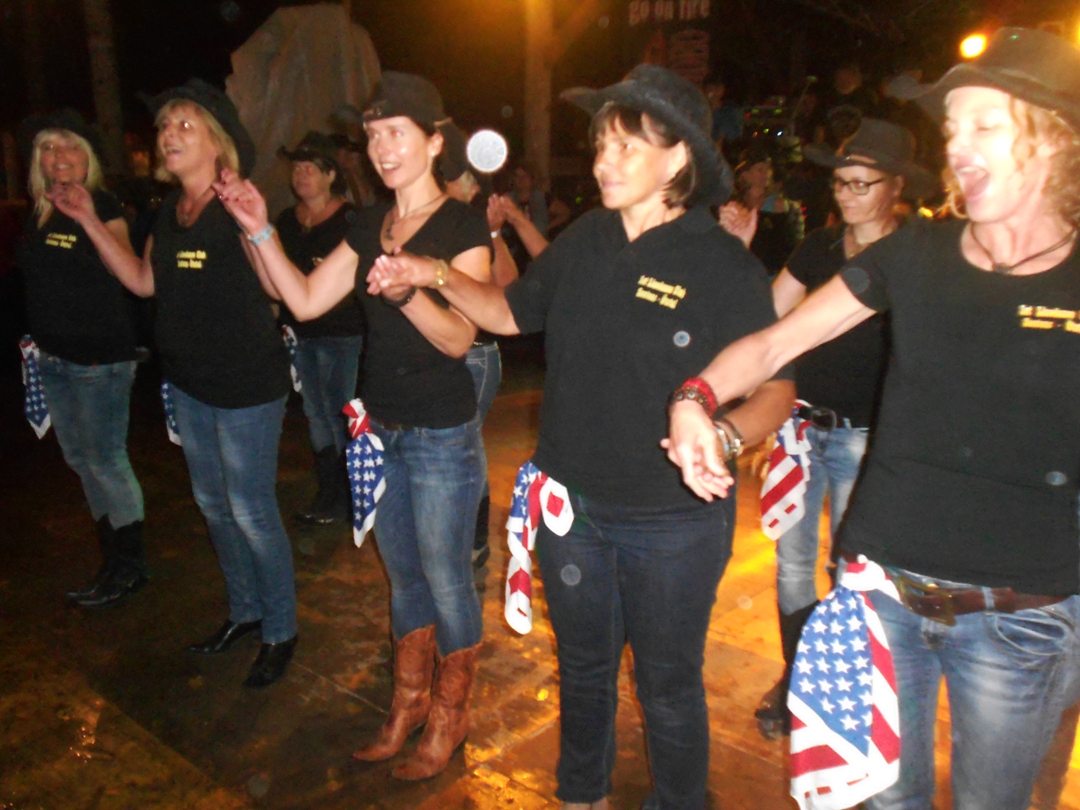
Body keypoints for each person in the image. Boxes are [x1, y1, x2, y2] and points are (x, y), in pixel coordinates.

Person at [667, 28, 1080, 810]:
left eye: (985, 124)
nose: (958, 143)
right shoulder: (916, 252)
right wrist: (695, 399)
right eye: (952, 127)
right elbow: (777, 339)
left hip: (1020, 619)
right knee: (887, 802)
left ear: (1057, 140)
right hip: (882, 594)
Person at [364, 64, 794, 809]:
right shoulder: (587, 238)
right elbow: (507, 313)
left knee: (665, 686)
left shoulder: (721, 262)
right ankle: (580, 795)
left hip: (671, 520)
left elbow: (777, 390)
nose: (603, 162)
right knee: (584, 670)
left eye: (626, 146)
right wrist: (431, 273)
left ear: (679, 158)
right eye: (600, 145)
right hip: (572, 510)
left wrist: (721, 436)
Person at [214, 72, 492, 780]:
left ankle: (450, 715)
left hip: (440, 433)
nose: (381, 148)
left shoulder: (462, 226)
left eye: (396, 132)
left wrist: (406, 294)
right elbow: (306, 300)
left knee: (448, 580)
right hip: (381, 430)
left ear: (434, 142)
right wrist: (258, 228)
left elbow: (460, 338)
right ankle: (406, 704)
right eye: (372, 135)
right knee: (404, 579)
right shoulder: (368, 225)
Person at [49, 79, 299, 688]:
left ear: (218, 143)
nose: (168, 135)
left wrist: (257, 227)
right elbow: (143, 282)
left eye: (185, 125)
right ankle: (245, 612)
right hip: (188, 384)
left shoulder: (235, 204)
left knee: (251, 509)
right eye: (164, 126)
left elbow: (277, 292)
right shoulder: (168, 211)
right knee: (213, 505)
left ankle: (281, 629)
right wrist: (87, 219)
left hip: (245, 385)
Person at [723, 118, 934, 739]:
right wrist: (740, 251)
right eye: (841, 182)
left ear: (897, 187)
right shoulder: (819, 246)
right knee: (791, 566)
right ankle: (799, 680)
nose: (847, 194)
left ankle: (845, 693)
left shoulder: (918, 255)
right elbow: (765, 315)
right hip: (798, 429)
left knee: (850, 574)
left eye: (862, 183)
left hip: (865, 439)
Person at [16, 109, 147, 608]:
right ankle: (111, 559)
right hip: (55, 357)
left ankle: (131, 566)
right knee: (80, 460)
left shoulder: (103, 203)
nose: (59, 156)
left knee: (106, 460)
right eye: (48, 148)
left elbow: (125, 268)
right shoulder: (41, 209)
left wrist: (88, 217)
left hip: (98, 359)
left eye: (69, 146)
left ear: (87, 156)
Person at [276, 131, 364, 525]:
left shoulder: (350, 220)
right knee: (314, 412)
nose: (301, 174)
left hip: (340, 331)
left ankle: (349, 493)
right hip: (300, 332)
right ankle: (329, 491)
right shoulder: (285, 220)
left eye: (310, 168)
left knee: (338, 411)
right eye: (297, 167)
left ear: (331, 175)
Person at [728, 152, 804, 277]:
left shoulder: (776, 205)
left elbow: (786, 247)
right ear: (745, 175)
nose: (766, 173)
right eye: (760, 169)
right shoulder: (735, 205)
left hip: (768, 276)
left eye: (768, 169)